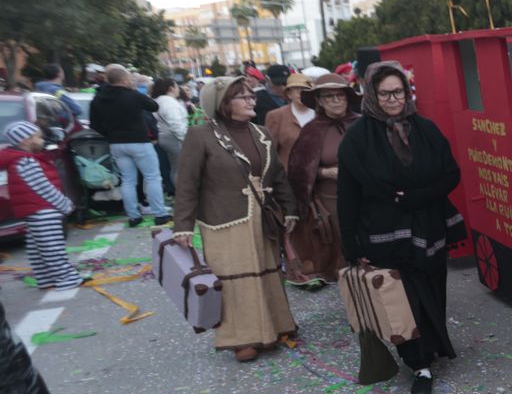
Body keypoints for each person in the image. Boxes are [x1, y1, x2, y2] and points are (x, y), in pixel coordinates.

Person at [338, 62, 466, 394]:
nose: (393, 99)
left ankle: (433, 346)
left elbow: (451, 175)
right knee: (404, 299)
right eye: (385, 93)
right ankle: (418, 364)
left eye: (398, 91)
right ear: (371, 95)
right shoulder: (357, 139)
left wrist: (413, 198)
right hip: (383, 233)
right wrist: (350, 244)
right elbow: (348, 196)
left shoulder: (426, 129)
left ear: (407, 93)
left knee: (433, 292)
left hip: (428, 228)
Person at [172, 76, 300, 363]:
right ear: (223, 104)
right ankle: (240, 338)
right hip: (223, 221)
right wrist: (182, 225)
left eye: (251, 95)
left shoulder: (262, 133)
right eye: (243, 97)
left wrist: (289, 209)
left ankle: (274, 327)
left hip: (261, 218)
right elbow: (187, 184)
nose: (251, 100)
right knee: (234, 281)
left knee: (266, 273)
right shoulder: (200, 136)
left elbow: (277, 176)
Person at [287, 75, 359, 286]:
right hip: (332, 203)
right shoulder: (312, 130)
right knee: (344, 260)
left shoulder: (363, 123)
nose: (335, 100)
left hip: (369, 200)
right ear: (319, 100)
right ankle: (358, 308)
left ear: (348, 98)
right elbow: (298, 171)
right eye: (328, 96)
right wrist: (324, 173)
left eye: (340, 95)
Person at [0, 122, 82, 290]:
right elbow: (43, 187)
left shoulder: (18, 159)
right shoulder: (26, 161)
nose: (42, 140)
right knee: (53, 247)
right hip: (44, 209)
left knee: (38, 248)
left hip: (34, 210)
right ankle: (67, 279)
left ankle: (45, 278)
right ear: (26, 140)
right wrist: (65, 204)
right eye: (38, 137)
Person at [88, 64, 170, 228]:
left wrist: (109, 133)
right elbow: (153, 106)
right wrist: (134, 89)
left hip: (116, 143)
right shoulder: (132, 95)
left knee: (127, 180)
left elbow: (94, 123)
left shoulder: (98, 98)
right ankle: (160, 213)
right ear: (125, 79)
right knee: (152, 176)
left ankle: (133, 216)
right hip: (139, 141)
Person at [265, 72, 318, 285]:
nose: (301, 94)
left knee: (319, 222)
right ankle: (297, 268)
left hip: (319, 179)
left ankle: (321, 266)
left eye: (306, 90)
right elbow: (269, 151)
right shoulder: (276, 116)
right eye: (297, 90)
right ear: (288, 93)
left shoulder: (319, 113)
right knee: (294, 226)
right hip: (289, 181)